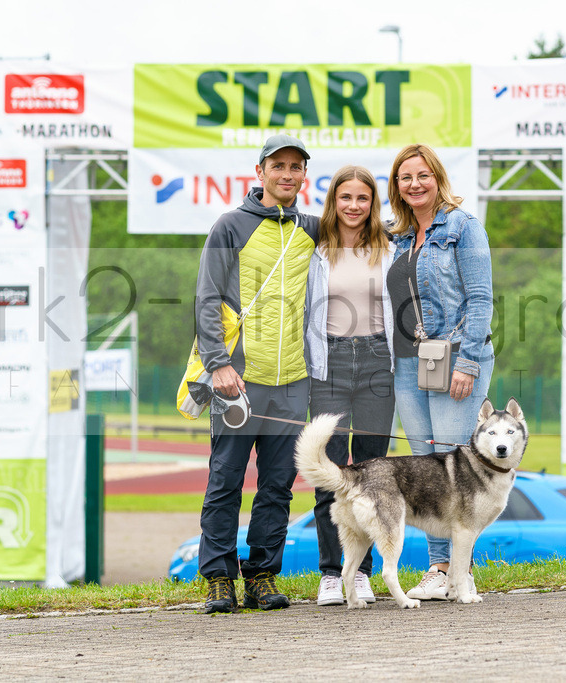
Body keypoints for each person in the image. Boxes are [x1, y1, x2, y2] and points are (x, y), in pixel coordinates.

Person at [193, 134, 319, 614]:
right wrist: (218, 364)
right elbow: (207, 299)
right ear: (260, 171)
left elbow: (362, 228)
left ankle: (262, 577)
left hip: (293, 383)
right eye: (278, 166)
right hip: (237, 380)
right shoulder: (230, 225)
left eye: (296, 167)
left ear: (304, 176)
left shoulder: (312, 228)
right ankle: (219, 579)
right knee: (225, 480)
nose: (287, 174)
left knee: (277, 485)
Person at [384, 143, 494, 601]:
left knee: (455, 465)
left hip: (455, 358)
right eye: (405, 177)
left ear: (438, 178)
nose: (415, 184)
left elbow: (481, 299)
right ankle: (439, 569)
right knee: (426, 470)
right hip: (409, 363)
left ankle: (460, 572)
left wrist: (467, 362)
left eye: (422, 175)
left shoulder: (463, 227)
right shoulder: (400, 235)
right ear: (396, 185)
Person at [306, 165, 396, 606]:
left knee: (373, 472)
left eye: (363, 199)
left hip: (380, 361)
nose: (354, 206)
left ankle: (361, 572)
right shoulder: (316, 248)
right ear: (333, 201)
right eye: (346, 198)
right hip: (331, 362)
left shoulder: (390, 248)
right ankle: (329, 573)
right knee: (330, 470)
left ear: (372, 203)